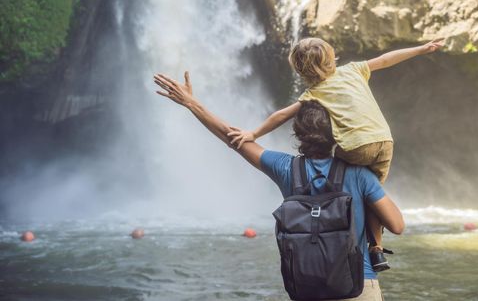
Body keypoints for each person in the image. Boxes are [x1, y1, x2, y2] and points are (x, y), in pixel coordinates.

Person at [153, 72, 405, 300]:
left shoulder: (287, 168)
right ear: (338, 132)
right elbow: (397, 225)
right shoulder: (359, 174)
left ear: (297, 134)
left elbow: (232, 139)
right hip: (359, 285)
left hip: (308, 288)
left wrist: (192, 103)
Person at [227, 38, 443, 270]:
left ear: (301, 70)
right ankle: (376, 249)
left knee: (338, 182)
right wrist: (421, 49)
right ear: (332, 57)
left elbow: (281, 115)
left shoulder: (313, 93)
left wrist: (254, 134)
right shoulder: (353, 70)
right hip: (384, 142)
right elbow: (385, 59)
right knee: (372, 195)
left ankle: (332, 225)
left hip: (354, 147)